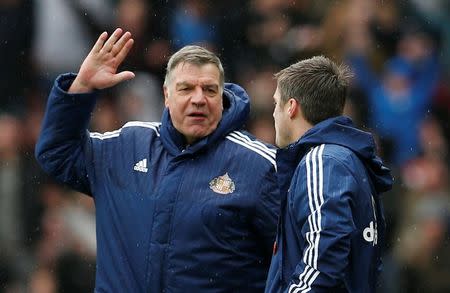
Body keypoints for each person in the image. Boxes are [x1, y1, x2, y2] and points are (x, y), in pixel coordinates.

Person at [35, 28, 279, 292]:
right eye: (185, 88)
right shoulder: (127, 146)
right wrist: (81, 89)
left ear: (222, 97)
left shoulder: (259, 166)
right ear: (166, 96)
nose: (198, 99)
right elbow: (57, 154)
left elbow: (295, 258)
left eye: (209, 90)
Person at [265, 56, 393, 293]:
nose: (274, 114)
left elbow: (325, 252)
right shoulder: (350, 160)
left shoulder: (322, 161)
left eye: (276, 104)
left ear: (291, 107)